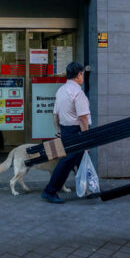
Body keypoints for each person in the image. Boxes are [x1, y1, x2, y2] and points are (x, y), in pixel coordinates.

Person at [41, 62, 91, 204]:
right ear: (79, 75)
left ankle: (90, 188)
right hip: (77, 131)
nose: (83, 77)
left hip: (66, 129)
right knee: (67, 162)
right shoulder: (78, 93)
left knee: (82, 161)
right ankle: (49, 191)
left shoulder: (61, 90)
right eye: (83, 74)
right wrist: (86, 138)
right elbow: (83, 118)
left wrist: (59, 131)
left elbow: (55, 114)